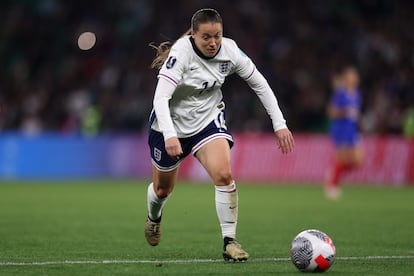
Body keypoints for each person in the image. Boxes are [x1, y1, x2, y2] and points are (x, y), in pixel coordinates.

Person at [145, 8, 294, 261]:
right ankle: (154, 217)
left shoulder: (230, 50)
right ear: (193, 35)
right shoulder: (181, 53)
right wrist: (170, 134)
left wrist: (279, 123)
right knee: (162, 190)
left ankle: (229, 242)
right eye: (206, 37)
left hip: (207, 122)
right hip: (169, 126)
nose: (213, 42)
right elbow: (160, 97)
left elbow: (259, 83)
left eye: (217, 36)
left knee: (224, 175)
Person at [325, 66, 363, 200]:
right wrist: (345, 112)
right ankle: (332, 185)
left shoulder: (357, 93)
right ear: (347, 78)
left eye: (356, 75)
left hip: (352, 130)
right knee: (341, 159)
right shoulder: (340, 93)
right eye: (352, 75)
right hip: (340, 130)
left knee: (358, 161)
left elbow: (355, 114)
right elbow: (331, 112)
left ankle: (333, 173)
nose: (355, 78)